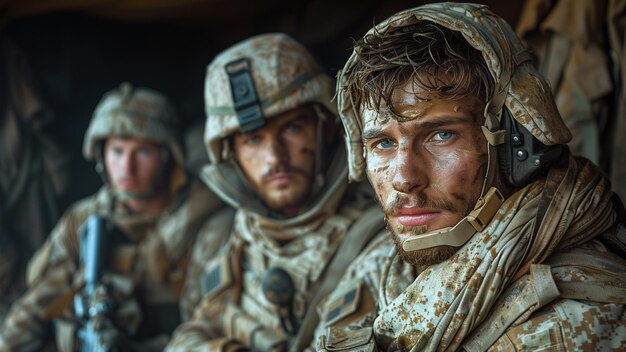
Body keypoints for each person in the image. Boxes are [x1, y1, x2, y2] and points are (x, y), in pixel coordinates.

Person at [315, 3, 626, 351]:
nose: (404, 178)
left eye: (441, 135)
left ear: (515, 139)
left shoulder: (573, 324)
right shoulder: (384, 267)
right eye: (383, 143)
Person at [165, 33, 385, 352]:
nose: (275, 158)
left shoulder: (381, 236)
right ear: (231, 156)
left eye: (293, 128)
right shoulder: (242, 236)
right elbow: (195, 330)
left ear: (326, 128)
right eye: (253, 140)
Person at [0, 83, 227, 351]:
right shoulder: (82, 219)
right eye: (117, 151)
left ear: (168, 156)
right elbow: (35, 308)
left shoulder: (206, 221)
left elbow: (207, 329)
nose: (127, 168)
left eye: (143, 152)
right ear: (101, 155)